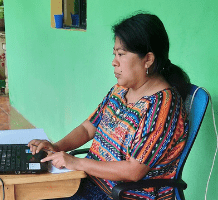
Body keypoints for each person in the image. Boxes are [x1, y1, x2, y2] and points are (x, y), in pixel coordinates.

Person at [28, 12, 190, 200]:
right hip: (90, 181)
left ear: (148, 59)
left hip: (120, 195)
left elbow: (133, 170)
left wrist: (75, 162)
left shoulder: (162, 108)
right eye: (114, 54)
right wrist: (56, 147)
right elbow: (88, 128)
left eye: (121, 54)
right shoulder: (120, 90)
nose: (114, 62)